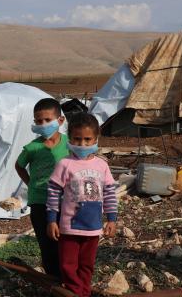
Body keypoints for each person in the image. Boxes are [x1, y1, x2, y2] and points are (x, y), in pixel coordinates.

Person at [46, 112, 117, 297]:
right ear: (69, 138)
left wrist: (111, 219)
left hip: (93, 227)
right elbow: (53, 193)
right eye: (77, 139)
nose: (82, 144)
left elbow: (109, 193)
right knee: (68, 265)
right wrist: (52, 220)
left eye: (87, 139)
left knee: (87, 264)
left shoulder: (102, 165)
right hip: (69, 227)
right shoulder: (65, 164)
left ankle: (82, 292)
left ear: (96, 139)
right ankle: (77, 292)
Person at [15, 98, 69, 277]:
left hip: (66, 200)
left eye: (47, 120)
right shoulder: (33, 148)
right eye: (38, 121)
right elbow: (19, 165)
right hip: (40, 201)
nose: (43, 124)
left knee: (66, 241)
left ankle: (68, 277)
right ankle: (53, 281)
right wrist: (31, 183)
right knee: (47, 243)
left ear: (60, 121)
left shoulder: (70, 144)